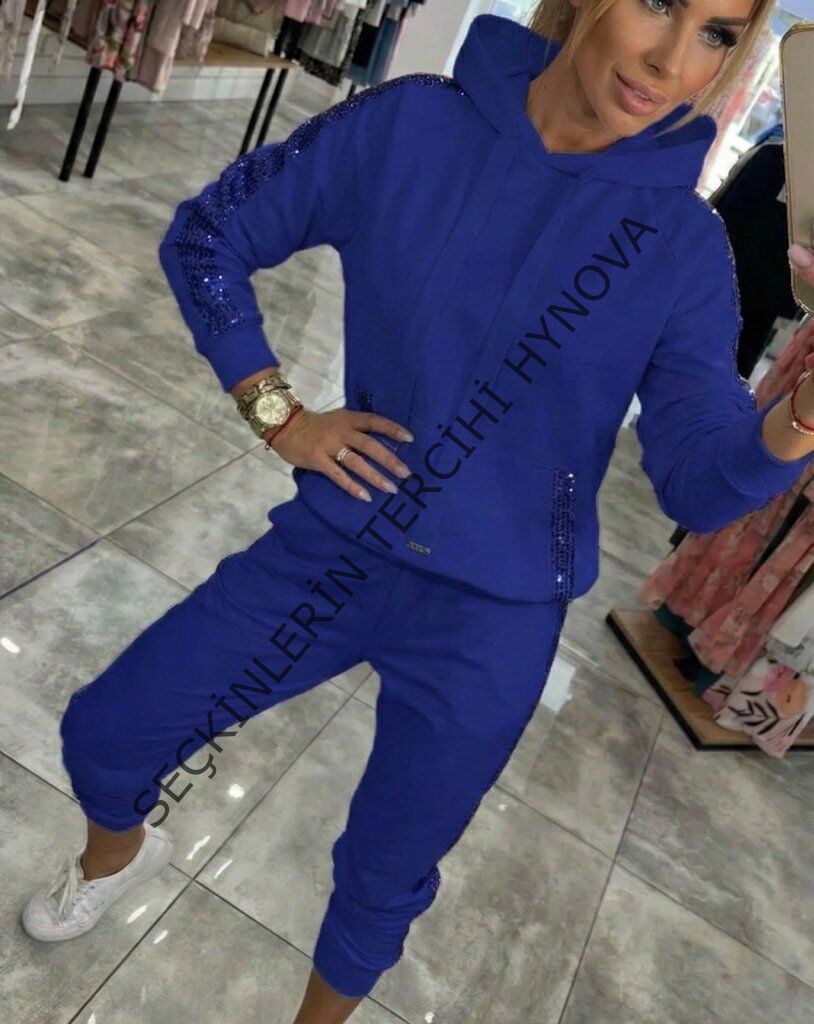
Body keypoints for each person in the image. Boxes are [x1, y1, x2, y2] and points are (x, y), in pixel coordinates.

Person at [21, 2, 814, 1022]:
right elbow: (210, 234)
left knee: (384, 872)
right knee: (112, 730)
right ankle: (117, 857)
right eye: (658, 2)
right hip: (339, 540)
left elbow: (697, 482)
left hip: (496, 615)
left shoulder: (682, 246)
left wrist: (796, 417)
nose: (670, 59)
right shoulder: (412, 125)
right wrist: (278, 412)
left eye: (715, 33)